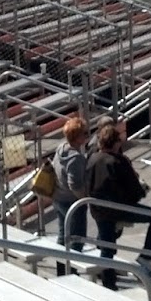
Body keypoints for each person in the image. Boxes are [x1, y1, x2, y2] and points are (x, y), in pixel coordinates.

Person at [86, 122, 151, 289]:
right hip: (118, 209)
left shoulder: (91, 159)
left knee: (107, 245)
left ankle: (108, 282)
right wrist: (141, 191)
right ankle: (146, 256)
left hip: (97, 208)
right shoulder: (118, 161)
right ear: (116, 142)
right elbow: (134, 191)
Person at [51, 116, 91, 276]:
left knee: (62, 236)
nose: (87, 136)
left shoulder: (61, 150)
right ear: (78, 137)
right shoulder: (76, 158)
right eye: (85, 133)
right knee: (76, 239)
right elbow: (74, 184)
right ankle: (71, 273)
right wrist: (84, 199)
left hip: (59, 198)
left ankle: (62, 271)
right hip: (72, 203)